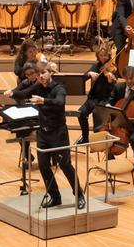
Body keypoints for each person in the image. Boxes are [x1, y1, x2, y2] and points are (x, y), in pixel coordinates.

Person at [14, 60, 83, 209]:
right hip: (43, 133)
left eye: (44, 73)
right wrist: (11, 93)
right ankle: (55, 196)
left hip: (58, 132)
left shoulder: (59, 88)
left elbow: (59, 102)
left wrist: (43, 100)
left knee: (65, 165)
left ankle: (79, 194)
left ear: (50, 72)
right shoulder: (38, 86)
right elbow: (23, 93)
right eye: (39, 74)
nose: (42, 77)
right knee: (44, 167)